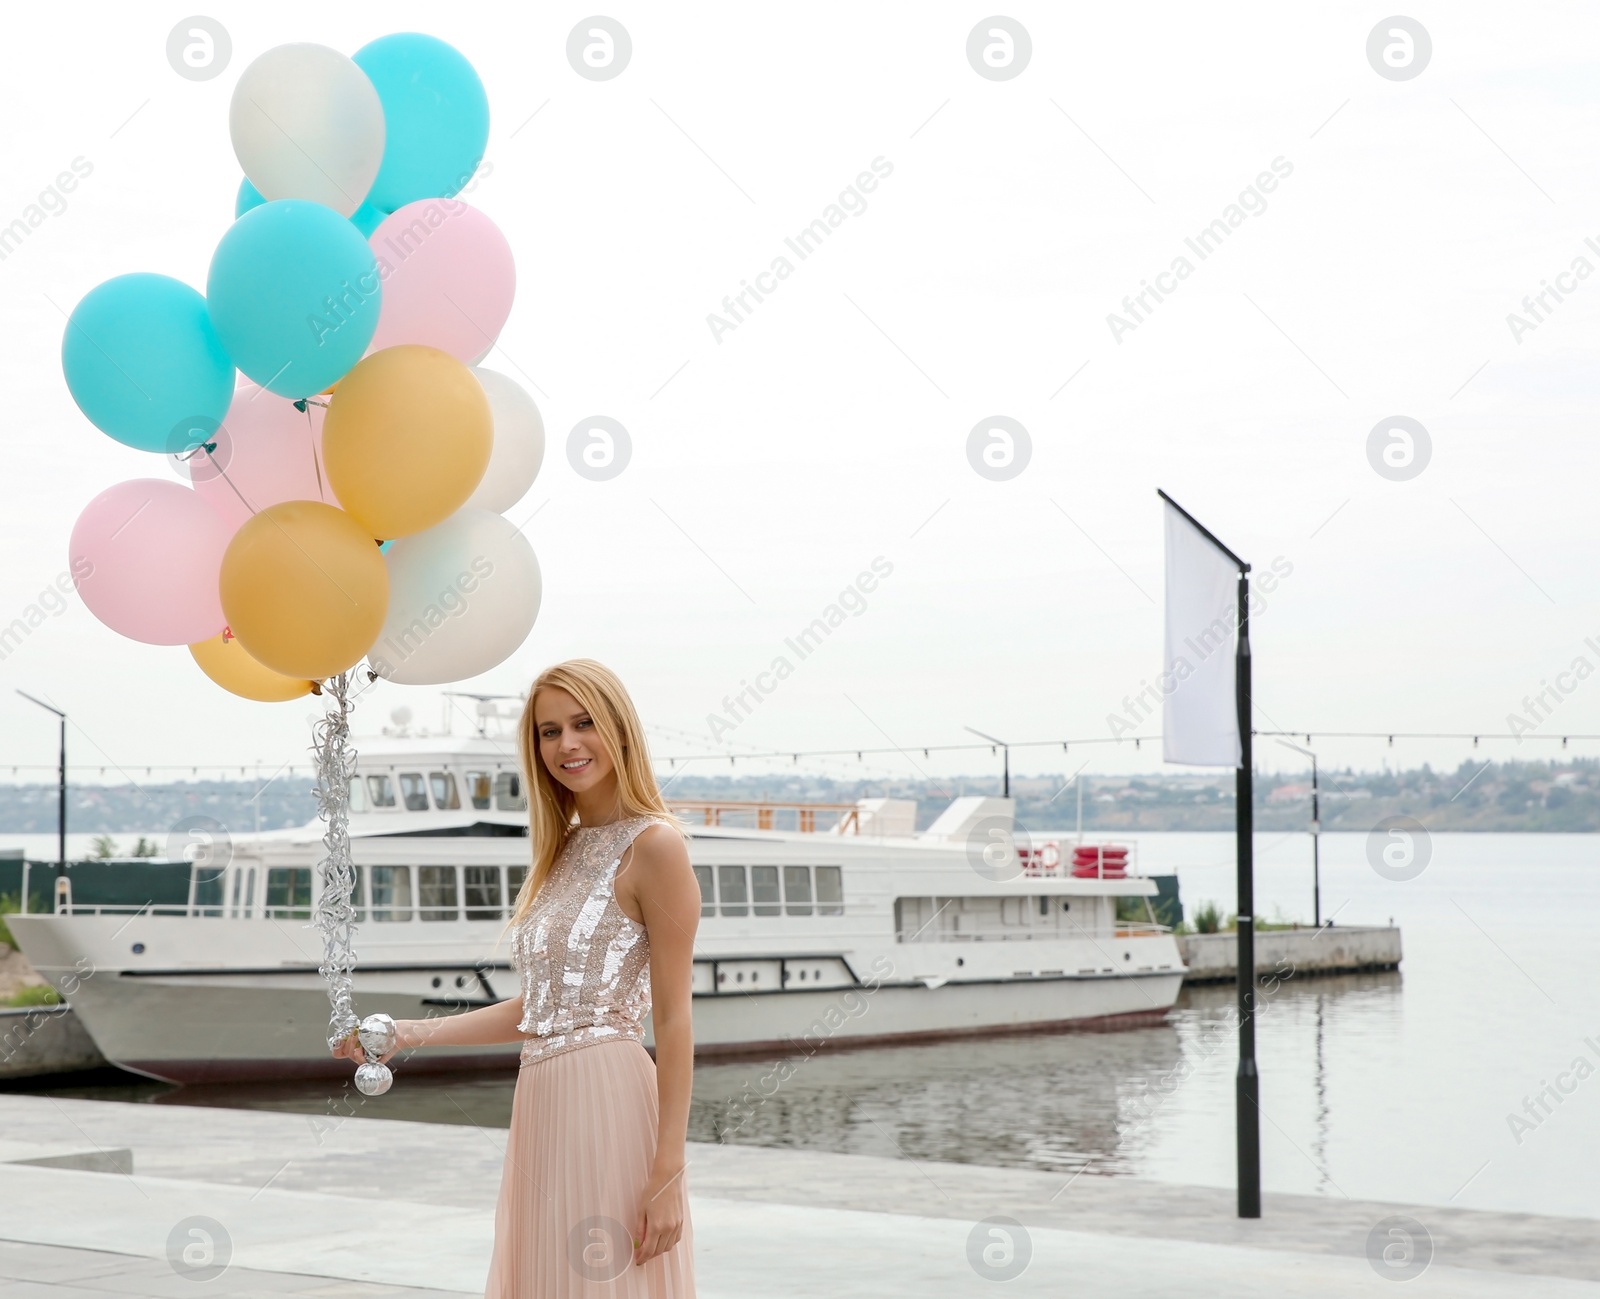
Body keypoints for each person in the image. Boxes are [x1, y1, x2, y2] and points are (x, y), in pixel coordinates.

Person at [334, 659, 700, 1295]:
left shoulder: (657, 846)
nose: (567, 744)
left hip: (610, 1099)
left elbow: (673, 1020)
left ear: (620, 729)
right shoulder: (560, 851)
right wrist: (401, 1034)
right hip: (541, 1100)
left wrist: (668, 1170)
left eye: (584, 724)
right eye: (548, 731)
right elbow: (538, 1009)